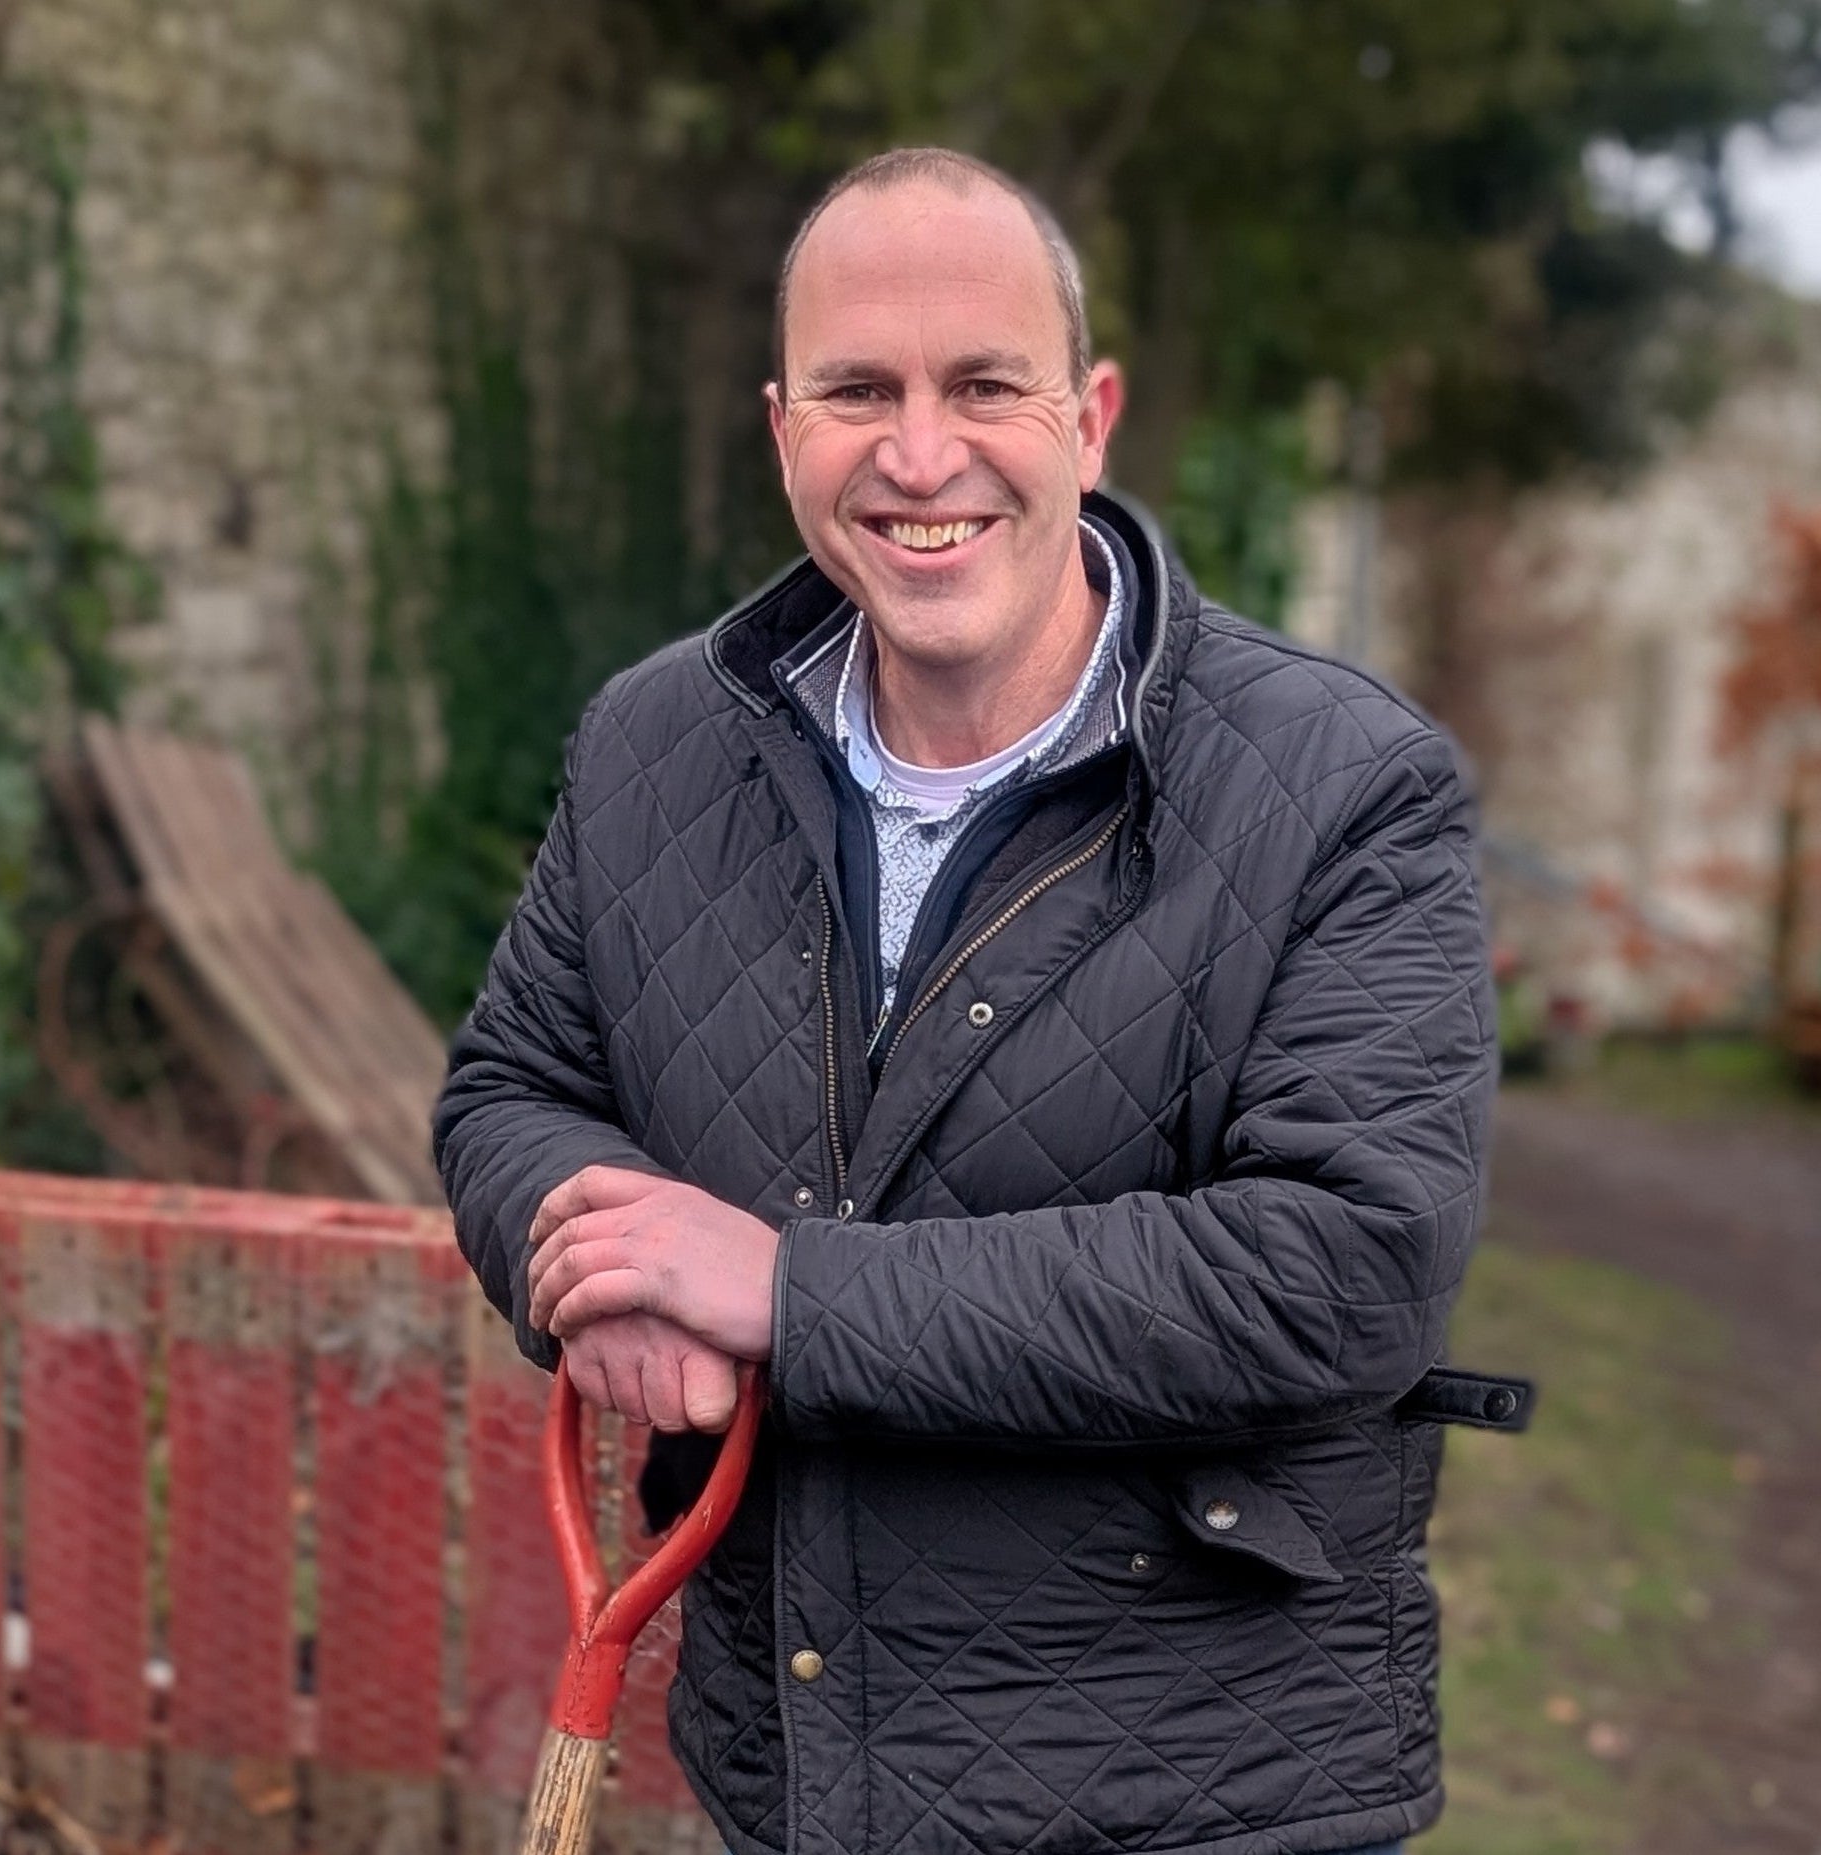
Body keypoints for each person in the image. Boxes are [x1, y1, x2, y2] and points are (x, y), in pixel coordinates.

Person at [435, 147, 1511, 1855]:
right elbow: (511, 1082)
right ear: (782, 423)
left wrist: (789, 1294)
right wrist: (590, 1259)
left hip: (1191, 1788)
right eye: (858, 390)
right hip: (788, 1760)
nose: (918, 456)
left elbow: (1343, 1270)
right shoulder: (654, 745)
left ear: (1088, 415)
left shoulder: (1339, 784)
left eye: (982, 387)